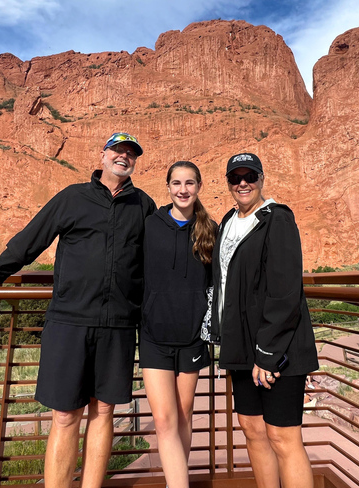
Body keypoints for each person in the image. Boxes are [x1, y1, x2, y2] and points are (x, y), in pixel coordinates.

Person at [0, 132, 155, 488]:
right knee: (66, 416)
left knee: (104, 413)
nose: (124, 156)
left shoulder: (143, 205)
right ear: (103, 155)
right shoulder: (72, 197)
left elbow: (156, 260)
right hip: (70, 322)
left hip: (118, 325)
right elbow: (31, 239)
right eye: (118, 150)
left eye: (131, 153)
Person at [203, 153, 319, 488]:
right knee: (253, 431)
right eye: (235, 178)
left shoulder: (276, 219)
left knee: (283, 437)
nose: (243, 183)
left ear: (261, 179)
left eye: (250, 176)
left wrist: (267, 354)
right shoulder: (227, 222)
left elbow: (284, 292)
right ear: (227, 183)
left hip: (277, 349)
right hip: (241, 348)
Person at [140, 161, 216, 488]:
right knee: (163, 420)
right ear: (168, 187)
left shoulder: (209, 229)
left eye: (189, 183)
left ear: (198, 186)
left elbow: (218, 284)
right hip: (154, 335)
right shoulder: (150, 225)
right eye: (176, 183)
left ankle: (176, 480)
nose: (182, 190)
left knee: (183, 417)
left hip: (192, 337)